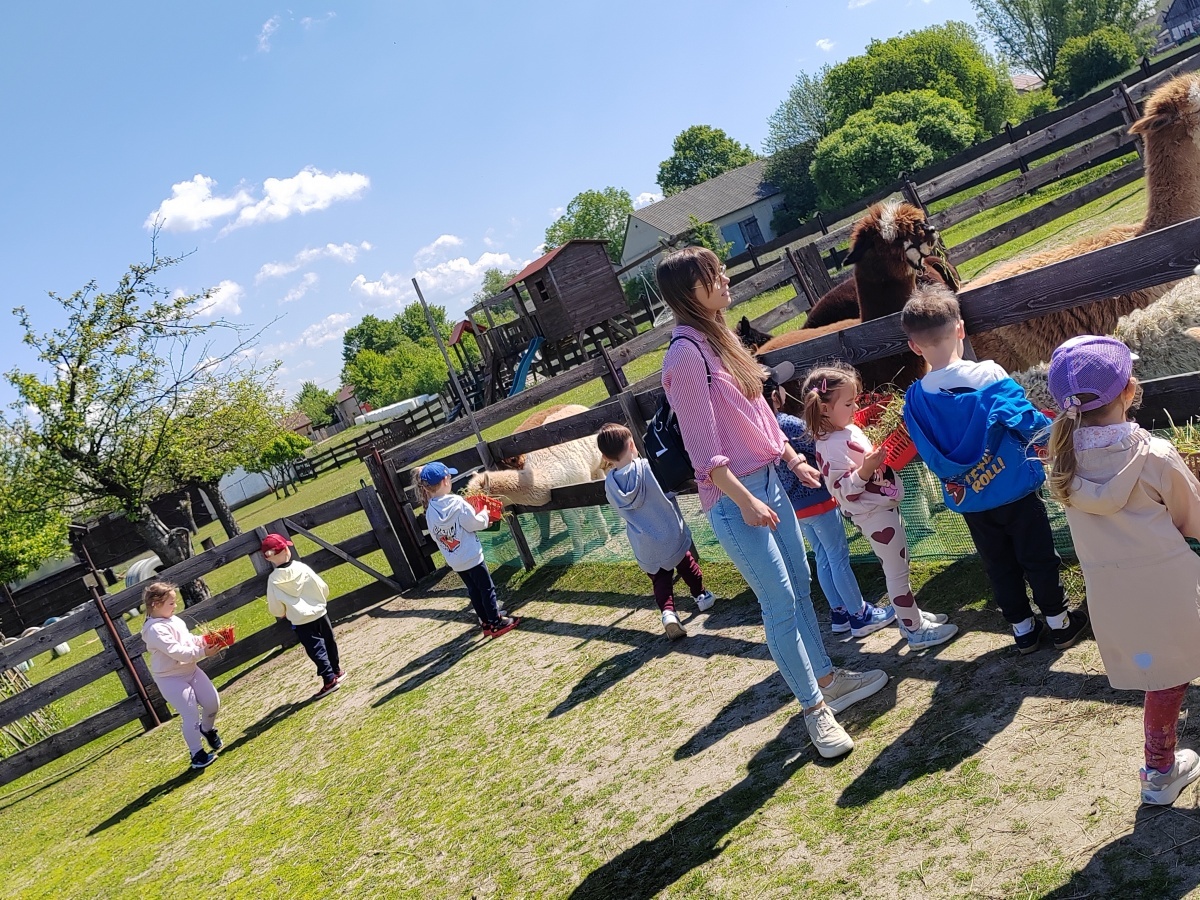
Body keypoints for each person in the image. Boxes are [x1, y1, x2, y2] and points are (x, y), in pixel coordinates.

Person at [657, 246, 887, 760]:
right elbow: (703, 450)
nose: (724, 278)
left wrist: (791, 457)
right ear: (688, 291)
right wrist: (744, 501)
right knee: (779, 602)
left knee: (800, 589)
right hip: (735, 498)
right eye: (712, 275)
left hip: (769, 483)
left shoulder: (719, 339)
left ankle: (828, 679)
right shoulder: (685, 356)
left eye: (720, 269)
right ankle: (815, 711)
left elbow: (757, 412)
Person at [1044, 335, 1200, 805]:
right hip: (1177, 588)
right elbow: (1192, 519)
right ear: (1130, 390)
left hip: (1116, 599)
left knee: (1164, 679)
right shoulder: (1154, 455)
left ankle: (1159, 773)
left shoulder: (1062, 464)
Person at [900, 285, 1089, 654]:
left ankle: (1023, 630)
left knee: (998, 564)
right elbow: (1027, 422)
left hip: (971, 498)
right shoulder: (987, 375)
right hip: (1015, 488)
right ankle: (1060, 624)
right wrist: (1055, 439)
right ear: (960, 329)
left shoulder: (915, 399)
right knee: (1038, 557)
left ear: (914, 346)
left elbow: (924, 448)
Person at [802, 362, 959, 650]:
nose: (855, 407)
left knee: (899, 566)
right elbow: (842, 489)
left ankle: (908, 615)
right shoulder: (831, 445)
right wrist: (865, 470)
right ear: (824, 408)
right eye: (848, 403)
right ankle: (915, 630)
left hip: (881, 507)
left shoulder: (842, 431)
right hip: (873, 514)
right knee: (896, 572)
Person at [763, 365, 895, 638]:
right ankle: (859, 614)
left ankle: (840, 612)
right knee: (838, 557)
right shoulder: (787, 424)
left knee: (823, 556)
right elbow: (817, 445)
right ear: (776, 396)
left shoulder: (762, 431)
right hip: (819, 498)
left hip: (797, 507)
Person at [597, 422, 717, 640]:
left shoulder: (610, 485)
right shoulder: (646, 467)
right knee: (687, 565)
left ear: (605, 457)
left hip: (644, 544)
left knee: (660, 580)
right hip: (669, 532)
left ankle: (668, 613)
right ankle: (701, 596)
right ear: (632, 445)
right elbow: (669, 487)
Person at [418, 461, 518, 638]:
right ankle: (496, 622)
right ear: (445, 481)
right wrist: (485, 514)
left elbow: (435, 535)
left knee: (473, 590)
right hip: (472, 556)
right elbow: (474, 523)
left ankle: (485, 621)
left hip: (455, 560)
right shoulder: (457, 503)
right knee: (486, 589)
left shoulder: (430, 511)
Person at [140, 581, 223, 770]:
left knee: (212, 702)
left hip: (190, 670)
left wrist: (206, 639)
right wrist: (203, 652)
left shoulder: (174, 620)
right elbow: (177, 651)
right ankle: (197, 754)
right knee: (190, 713)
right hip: (170, 678)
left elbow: (187, 640)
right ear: (156, 604)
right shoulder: (154, 630)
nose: (175, 606)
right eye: (171, 603)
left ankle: (207, 730)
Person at [262, 533, 346, 700]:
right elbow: (322, 586)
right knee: (329, 641)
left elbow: (275, 606)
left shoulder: (274, 580)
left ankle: (329, 679)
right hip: (319, 613)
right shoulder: (302, 568)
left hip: (301, 620)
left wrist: (282, 612)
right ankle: (336, 670)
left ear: (268, 558)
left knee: (316, 649)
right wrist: (320, 600)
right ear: (287, 550)